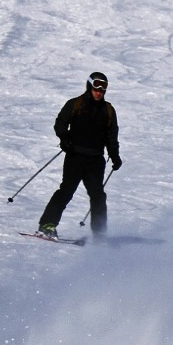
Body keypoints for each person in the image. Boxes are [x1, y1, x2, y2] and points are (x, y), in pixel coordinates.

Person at [38, 72, 122, 239]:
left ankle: (99, 234)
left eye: (103, 89)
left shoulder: (108, 111)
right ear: (89, 86)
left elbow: (111, 137)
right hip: (75, 157)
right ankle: (47, 225)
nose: (99, 92)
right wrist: (65, 138)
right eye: (96, 87)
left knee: (98, 196)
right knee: (66, 191)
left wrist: (115, 156)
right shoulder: (75, 104)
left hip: (96, 161)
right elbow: (60, 123)